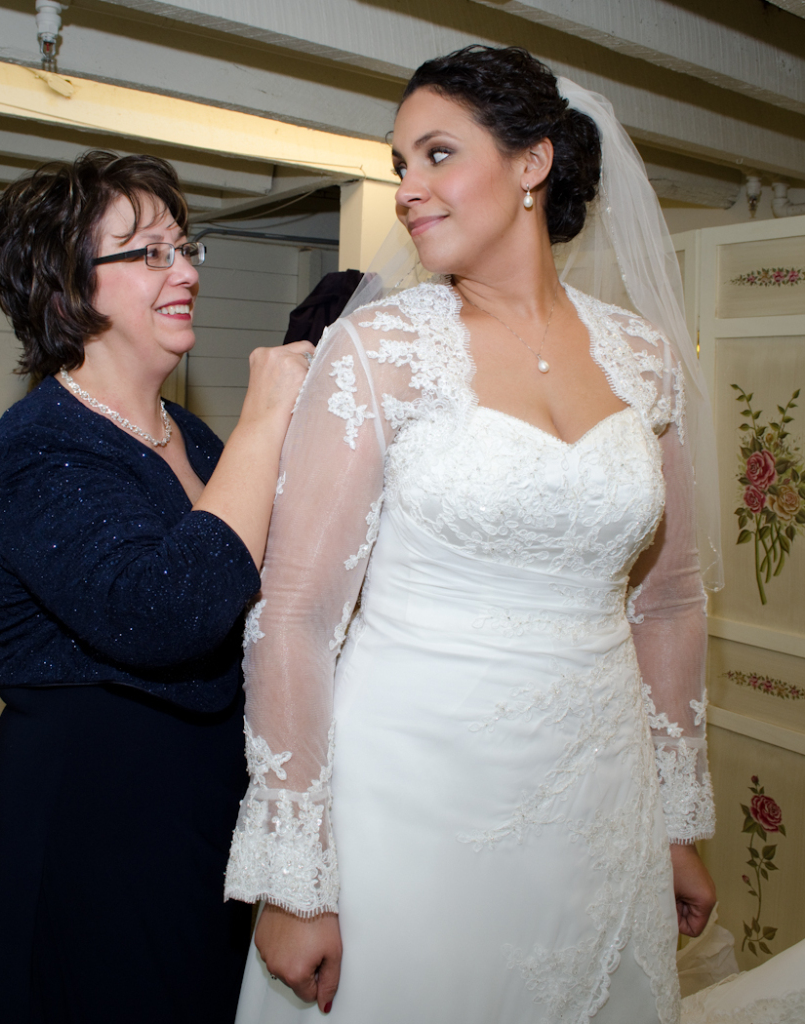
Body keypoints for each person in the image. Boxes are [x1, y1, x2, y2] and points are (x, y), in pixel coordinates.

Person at [224, 47, 720, 1024]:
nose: (407, 188)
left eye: (437, 153)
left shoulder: (643, 357)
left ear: (532, 162)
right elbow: (295, 615)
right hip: (411, 794)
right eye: (399, 163)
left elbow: (668, 601)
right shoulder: (378, 351)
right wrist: (294, 877)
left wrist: (672, 821)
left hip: (603, 791)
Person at [0, 150, 313, 1024]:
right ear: (66, 286)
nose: (185, 270)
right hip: (89, 822)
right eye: (150, 252)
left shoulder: (192, 437)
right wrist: (267, 417)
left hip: (199, 812)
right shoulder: (40, 443)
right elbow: (168, 613)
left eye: (184, 248)